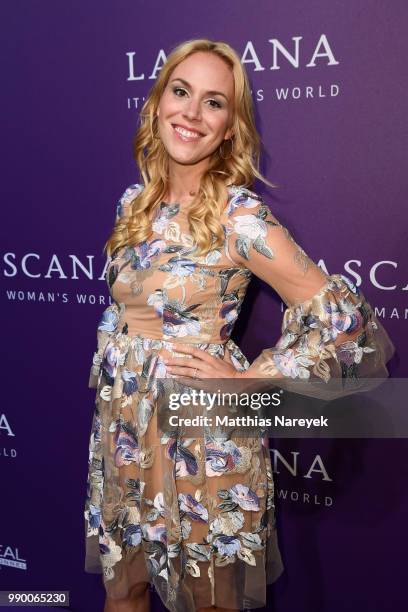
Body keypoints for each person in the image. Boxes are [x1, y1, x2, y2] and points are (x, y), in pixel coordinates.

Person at [83, 39, 395, 612]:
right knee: (122, 592)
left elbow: (346, 323)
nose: (192, 114)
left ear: (230, 127)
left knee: (210, 603)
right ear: (156, 104)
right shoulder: (135, 204)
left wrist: (256, 377)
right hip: (126, 430)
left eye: (214, 102)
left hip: (204, 434)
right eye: (180, 92)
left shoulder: (238, 216)